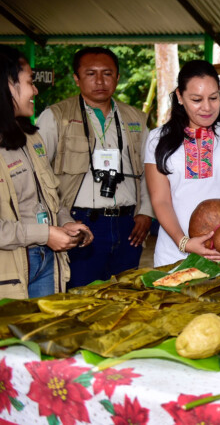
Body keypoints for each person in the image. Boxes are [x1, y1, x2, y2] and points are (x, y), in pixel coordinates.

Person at [37, 47, 152, 288]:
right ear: (77, 78)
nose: (100, 81)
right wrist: (61, 220)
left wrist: (146, 212)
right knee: (81, 297)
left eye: (107, 73)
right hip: (81, 223)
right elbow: (39, 176)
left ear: (118, 78)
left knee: (126, 296)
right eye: (91, 73)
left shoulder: (135, 119)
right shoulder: (55, 117)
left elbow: (149, 170)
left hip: (128, 224)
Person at [145, 60, 220, 271]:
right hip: (176, 255)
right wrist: (184, 242)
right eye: (196, 99)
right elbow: (161, 200)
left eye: (214, 98)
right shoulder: (157, 139)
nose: (207, 107)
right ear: (180, 97)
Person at [0, 45, 92, 299]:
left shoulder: (32, 137)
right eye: (30, 82)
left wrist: (65, 222)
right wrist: (45, 234)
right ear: (7, 85)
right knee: (14, 339)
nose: (35, 90)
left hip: (47, 260)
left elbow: (50, 198)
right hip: (11, 266)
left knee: (44, 336)